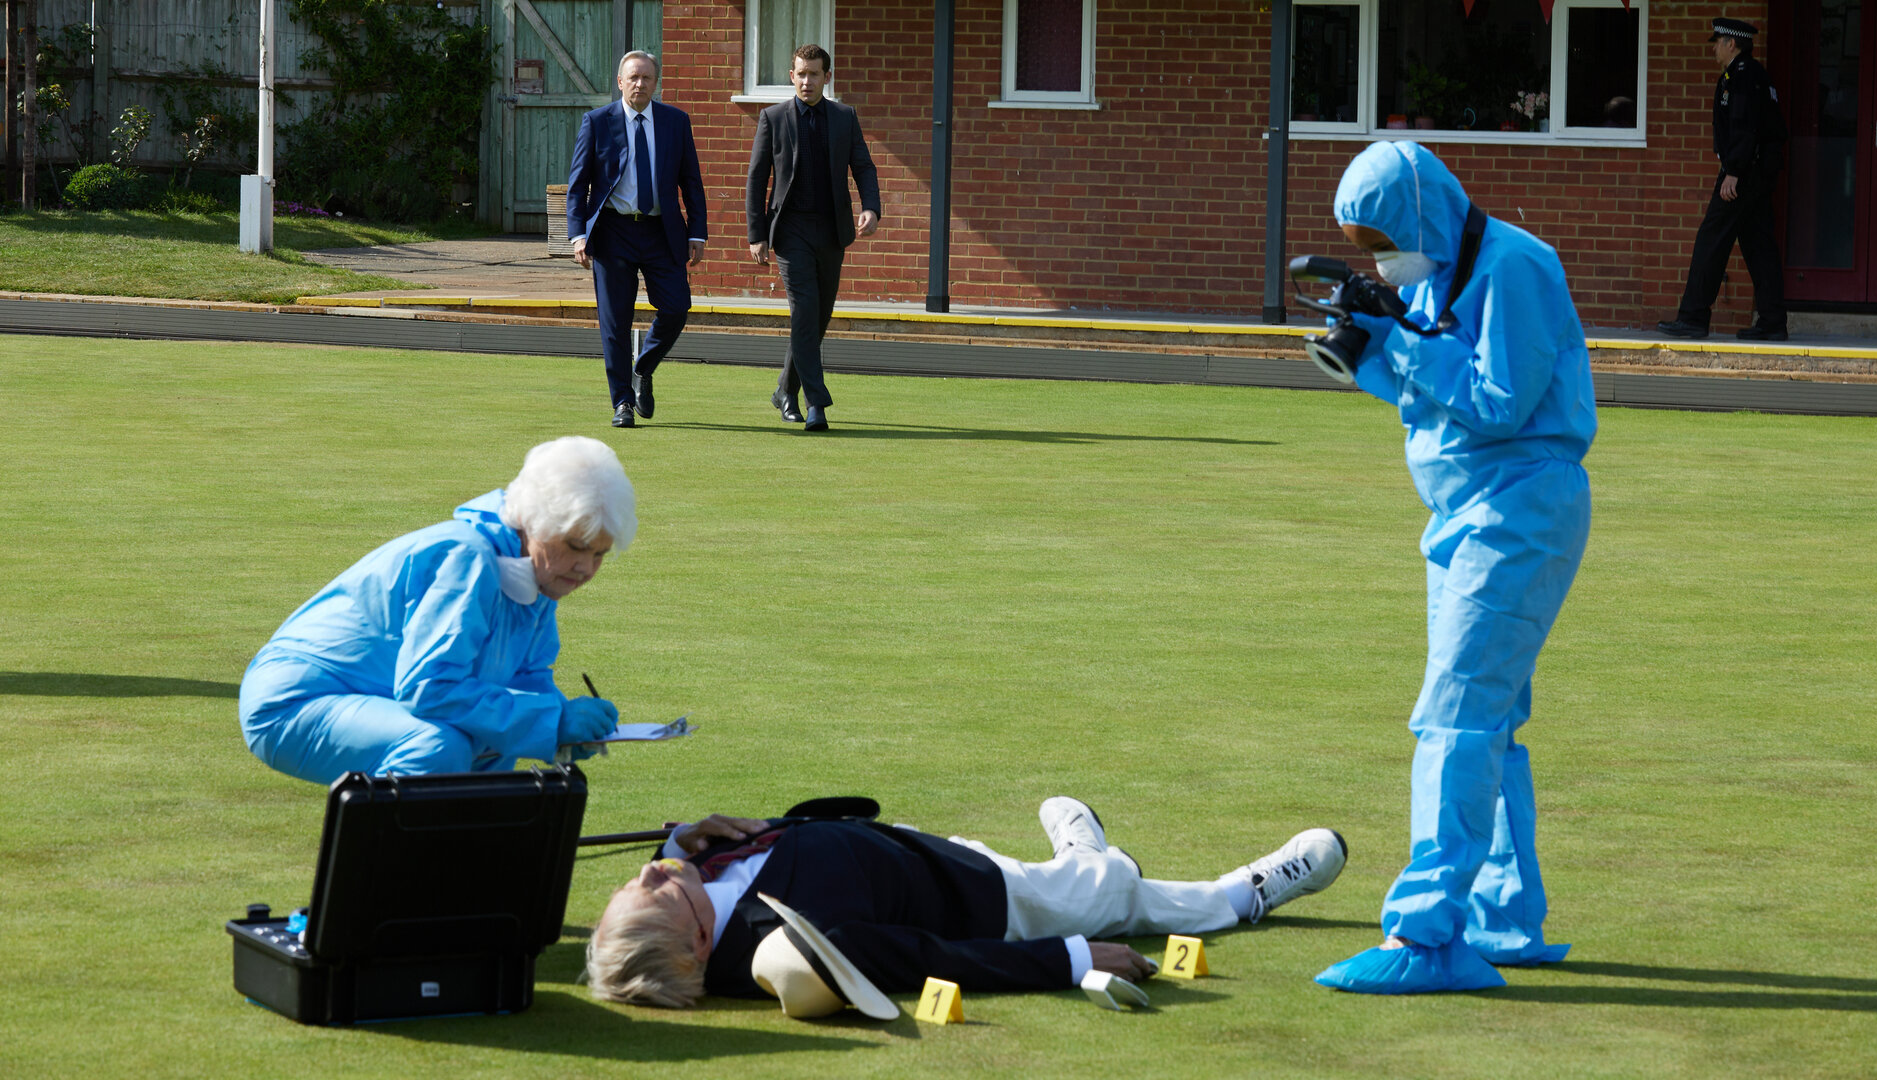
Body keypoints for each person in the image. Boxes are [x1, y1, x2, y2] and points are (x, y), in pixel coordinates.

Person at [1308, 142, 1595, 995]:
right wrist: (1368, 348)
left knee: (1455, 718)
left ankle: (1427, 936)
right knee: (1491, 723)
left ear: (1421, 214)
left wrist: (1401, 341)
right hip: (1465, 514)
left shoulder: (1517, 267)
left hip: (1519, 511)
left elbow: (1499, 404)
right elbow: (1433, 399)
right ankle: (1505, 920)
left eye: (1380, 240)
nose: (1378, 259)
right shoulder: (1436, 270)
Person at [584, 797, 1347, 1009]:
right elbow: (927, 960)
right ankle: (1243, 895)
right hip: (983, 903)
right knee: (1117, 894)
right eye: (654, 891)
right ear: (694, 947)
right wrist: (1071, 959)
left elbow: (670, 862)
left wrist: (685, 837)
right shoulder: (780, 948)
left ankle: (1081, 854)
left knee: (1077, 878)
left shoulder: (689, 876)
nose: (649, 873)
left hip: (928, 855)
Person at [238, 437, 637, 783]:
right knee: (438, 743)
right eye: (575, 547)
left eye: (600, 554)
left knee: (496, 733)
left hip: (362, 695)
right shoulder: (467, 557)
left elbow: (526, 678)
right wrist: (551, 721)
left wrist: (562, 723)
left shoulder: (539, 576)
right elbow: (428, 687)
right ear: (533, 523)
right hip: (293, 701)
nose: (586, 568)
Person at [567, 50, 709, 428]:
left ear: (655, 82)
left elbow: (691, 181)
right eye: (633, 78)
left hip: (662, 232)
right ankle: (622, 404)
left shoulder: (675, 122)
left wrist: (697, 232)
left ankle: (643, 367)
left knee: (677, 307)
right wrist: (578, 234)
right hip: (613, 232)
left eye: (646, 78)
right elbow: (578, 183)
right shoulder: (597, 122)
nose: (640, 84)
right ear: (620, 82)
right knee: (614, 322)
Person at [746, 44, 882, 433]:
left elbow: (864, 166)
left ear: (827, 77)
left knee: (818, 318)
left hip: (831, 231)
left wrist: (870, 207)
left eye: (814, 74)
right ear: (792, 76)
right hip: (789, 233)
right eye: (801, 74)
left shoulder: (843, 117)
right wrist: (757, 234)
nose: (807, 81)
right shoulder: (772, 118)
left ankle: (784, 389)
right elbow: (757, 179)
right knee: (804, 311)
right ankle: (815, 403)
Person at [1657, 17, 1789, 342]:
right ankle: (1773, 321)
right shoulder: (1753, 75)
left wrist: (1733, 171)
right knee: (1759, 247)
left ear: (1732, 43)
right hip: (1756, 173)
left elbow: (1745, 127)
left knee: (1711, 240)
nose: (1714, 47)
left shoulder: (1742, 77)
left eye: (1718, 41)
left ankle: (1692, 317)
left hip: (1742, 174)